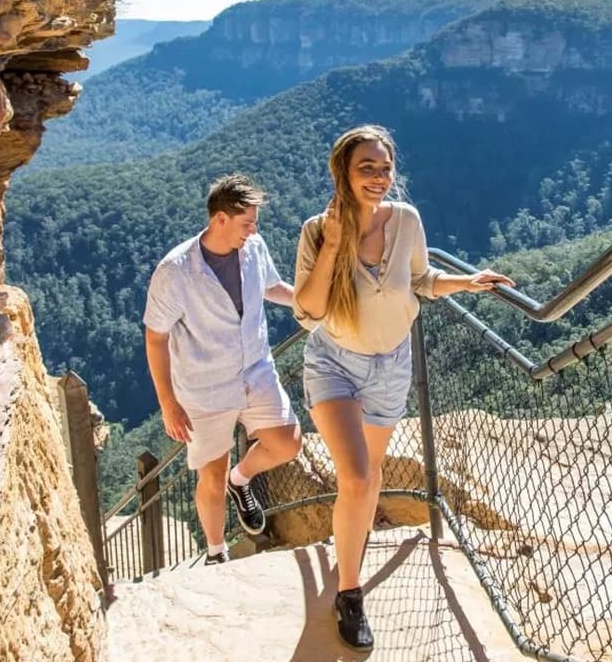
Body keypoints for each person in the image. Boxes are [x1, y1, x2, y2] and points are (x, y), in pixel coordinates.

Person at [293, 125, 514, 648]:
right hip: (335, 365)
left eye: (385, 168)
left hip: (391, 367)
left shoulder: (407, 220)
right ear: (343, 173)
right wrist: (334, 244)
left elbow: (420, 280)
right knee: (356, 476)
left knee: (368, 479)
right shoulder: (316, 230)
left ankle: (349, 551)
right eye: (366, 167)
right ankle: (350, 593)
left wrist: (467, 282)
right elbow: (309, 311)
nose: (378, 177)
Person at [143, 173, 301, 565]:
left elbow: (271, 287)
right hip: (205, 385)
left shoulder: (254, 247)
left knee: (288, 442)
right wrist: (168, 404)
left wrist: (310, 304)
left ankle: (241, 480)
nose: (254, 230)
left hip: (255, 368)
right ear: (220, 219)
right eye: (247, 222)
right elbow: (156, 338)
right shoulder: (175, 271)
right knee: (211, 475)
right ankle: (216, 552)